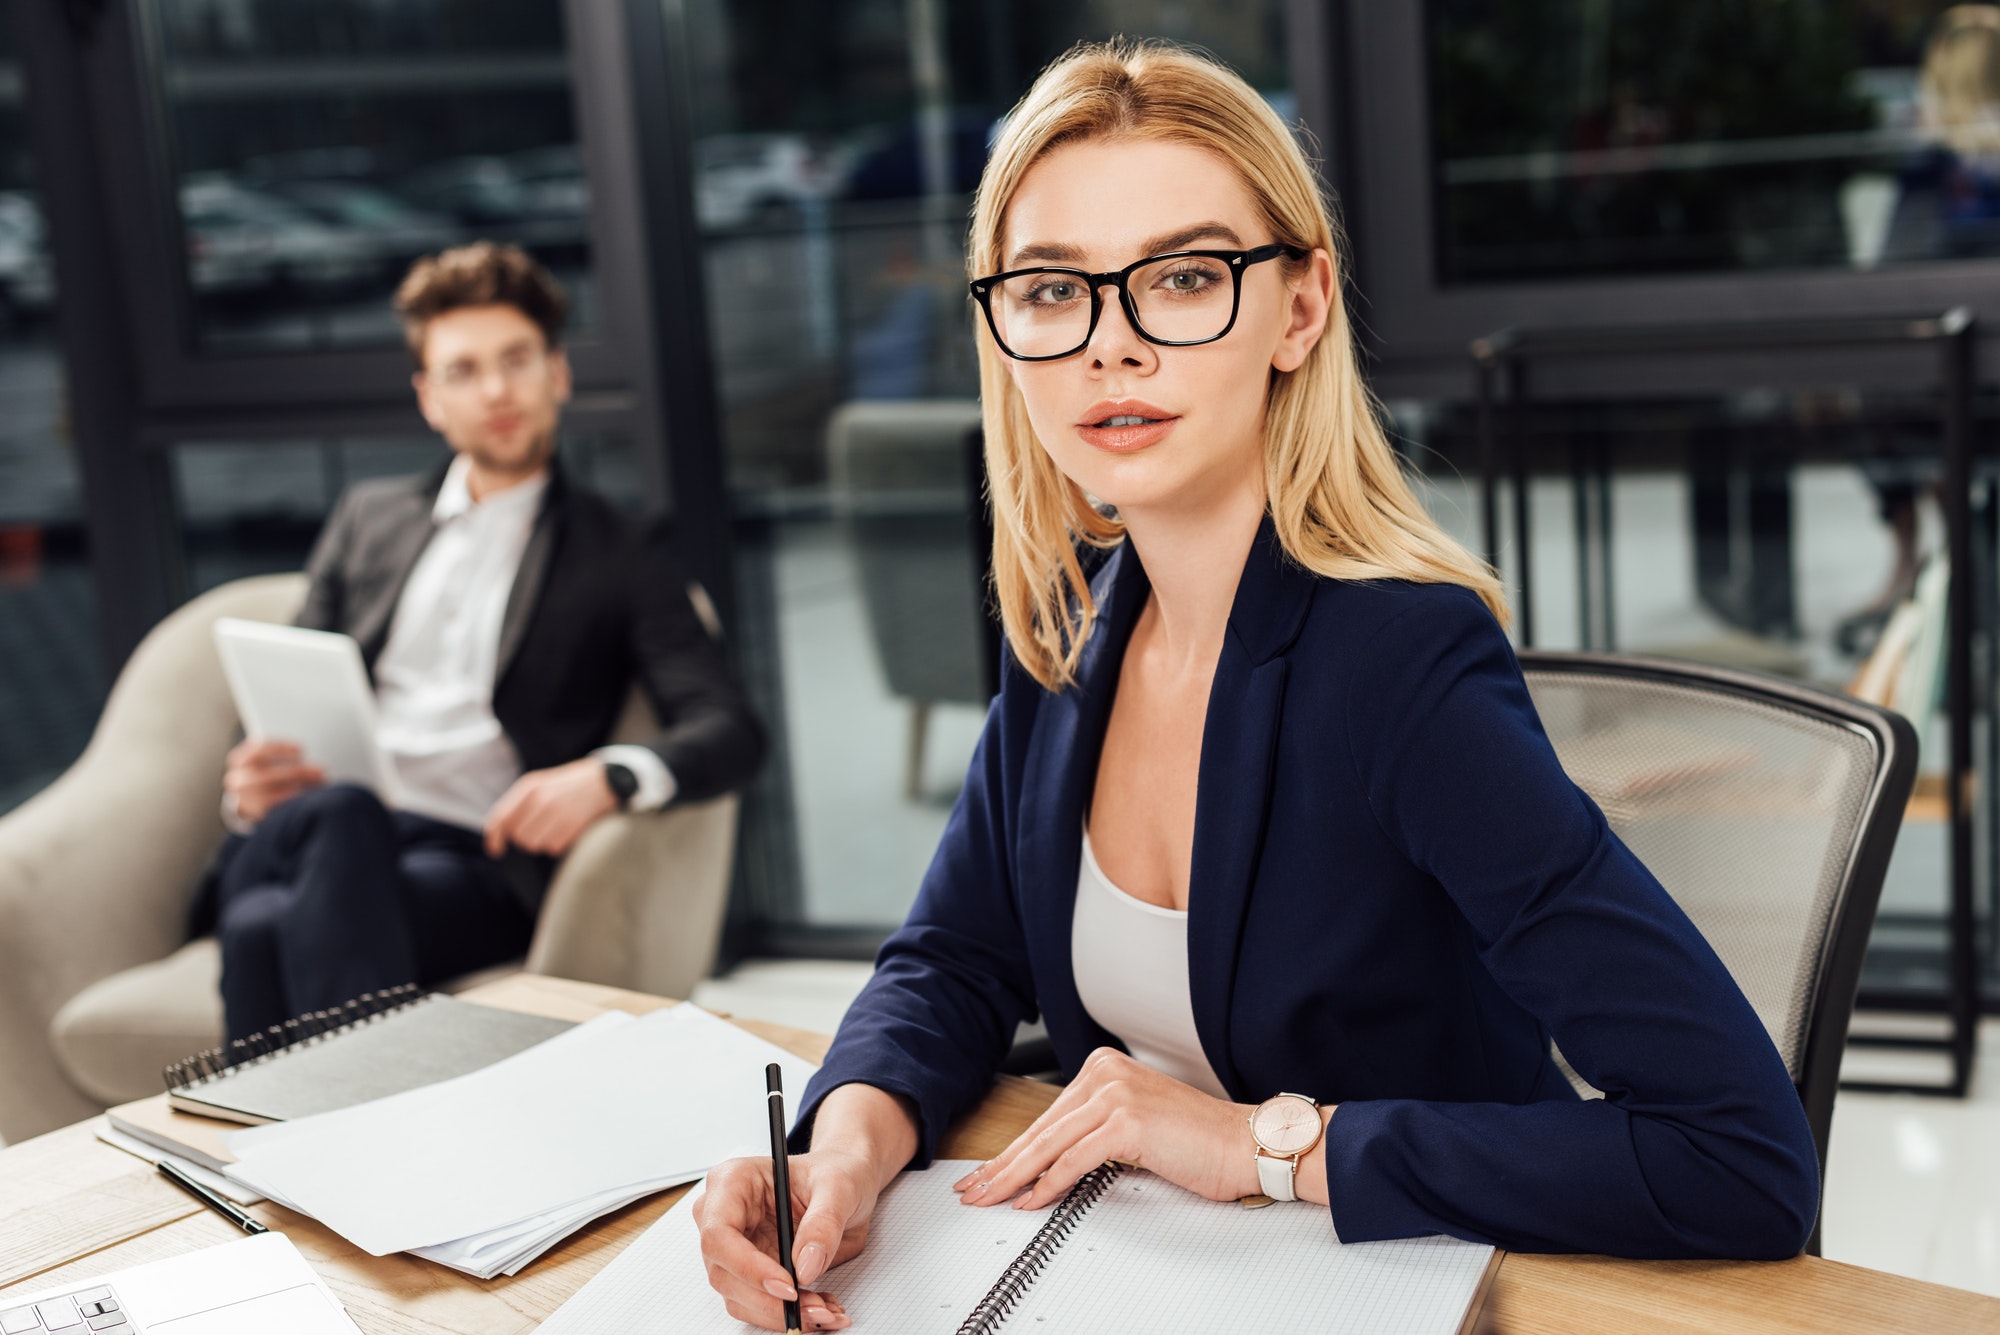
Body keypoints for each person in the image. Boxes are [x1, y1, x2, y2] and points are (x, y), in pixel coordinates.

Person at [695, 41, 1819, 1332]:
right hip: (1144, 1279)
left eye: (1182, 277)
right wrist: (843, 1148)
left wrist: (1261, 1144)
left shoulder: (1400, 664)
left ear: (1299, 307)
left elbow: (1739, 1155)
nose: (1111, 346)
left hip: (1410, 1290)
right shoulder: (1073, 628)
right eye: (1053, 289)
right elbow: (952, 958)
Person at [193, 242, 764, 1043]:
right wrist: (248, 783)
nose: (496, 390)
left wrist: (610, 775)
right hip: (313, 827)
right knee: (341, 815)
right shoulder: (367, 519)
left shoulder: (620, 550)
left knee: (261, 927)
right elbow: (277, 694)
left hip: (467, 863)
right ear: (430, 398)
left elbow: (730, 727)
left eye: (516, 360)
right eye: (463, 371)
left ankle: (256, 1122)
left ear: (557, 373)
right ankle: (370, 1105)